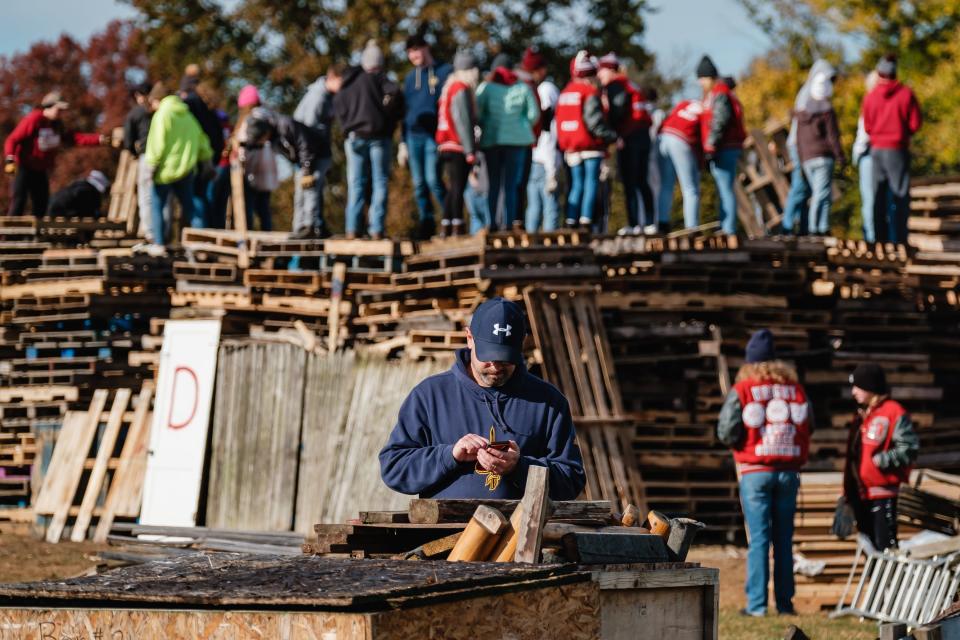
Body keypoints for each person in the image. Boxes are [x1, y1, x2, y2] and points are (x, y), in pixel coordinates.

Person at [379, 297, 586, 500]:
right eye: (489, 356)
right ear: (469, 338)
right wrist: (449, 455)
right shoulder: (430, 396)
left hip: (522, 533)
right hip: (444, 532)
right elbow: (394, 468)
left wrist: (520, 468)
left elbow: (571, 481)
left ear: (522, 343)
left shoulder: (548, 402)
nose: (496, 366)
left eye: (505, 358)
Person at [717, 329, 813, 617]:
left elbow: (725, 430)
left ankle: (757, 606)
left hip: (755, 471)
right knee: (784, 540)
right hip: (788, 472)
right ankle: (785, 604)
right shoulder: (795, 390)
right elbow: (809, 425)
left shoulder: (744, 388)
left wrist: (740, 442)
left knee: (759, 539)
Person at [843, 363, 919, 552]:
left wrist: (881, 461)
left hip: (884, 493)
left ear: (870, 387)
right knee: (869, 549)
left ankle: (890, 582)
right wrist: (847, 492)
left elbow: (909, 448)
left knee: (886, 549)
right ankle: (874, 581)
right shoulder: (863, 414)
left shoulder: (894, 412)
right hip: (862, 493)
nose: (853, 392)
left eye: (857, 386)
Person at [334, 40, 404, 240]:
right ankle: (376, 229)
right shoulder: (380, 79)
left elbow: (338, 103)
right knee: (379, 182)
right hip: (378, 137)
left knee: (356, 183)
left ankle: (352, 228)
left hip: (354, 137)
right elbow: (395, 92)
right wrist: (387, 116)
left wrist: (346, 126)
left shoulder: (349, 81)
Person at [4, 91, 106, 216]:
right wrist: (10, 159)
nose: (61, 113)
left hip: (40, 170)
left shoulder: (57, 125)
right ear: (49, 106)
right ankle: (10, 235)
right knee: (19, 201)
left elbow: (74, 138)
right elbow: (12, 139)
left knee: (41, 203)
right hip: (24, 167)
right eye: (59, 109)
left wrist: (98, 139)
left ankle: (37, 234)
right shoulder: (34, 119)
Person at [143, 82, 213, 252]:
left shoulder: (162, 115)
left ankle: (159, 243)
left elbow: (156, 143)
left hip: (165, 171)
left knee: (157, 206)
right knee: (191, 207)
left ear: (158, 99)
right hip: (186, 169)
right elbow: (202, 141)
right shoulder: (187, 116)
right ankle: (200, 241)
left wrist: (151, 166)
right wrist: (206, 160)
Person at [862, 55, 922, 244]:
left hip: (877, 151)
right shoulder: (906, 94)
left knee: (878, 196)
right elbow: (915, 123)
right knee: (900, 196)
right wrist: (902, 134)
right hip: (897, 150)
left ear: (879, 73)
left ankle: (879, 242)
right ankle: (899, 241)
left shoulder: (870, 97)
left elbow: (867, 126)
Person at [476, 54, 539, 230]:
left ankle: (492, 223)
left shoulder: (486, 87)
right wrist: (521, 126)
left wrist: (488, 124)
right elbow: (534, 115)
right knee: (511, 185)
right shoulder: (522, 87)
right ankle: (509, 223)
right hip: (517, 142)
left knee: (494, 184)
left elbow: (478, 114)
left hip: (492, 141)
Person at [557, 51, 617, 230]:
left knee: (576, 184)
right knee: (591, 182)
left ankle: (570, 220)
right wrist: (612, 136)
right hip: (590, 145)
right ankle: (585, 219)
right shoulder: (590, 92)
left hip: (570, 146)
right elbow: (594, 122)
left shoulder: (566, 92)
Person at [400, 33, 451, 239]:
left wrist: (444, 134)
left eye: (416, 50)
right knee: (418, 183)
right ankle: (426, 222)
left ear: (426, 48)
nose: (414, 55)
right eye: (410, 52)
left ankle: (449, 218)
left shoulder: (444, 71)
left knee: (433, 179)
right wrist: (402, 142)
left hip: (434, 136)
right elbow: (405, 112)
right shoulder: (411, 78)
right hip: (414, 136)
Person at [598, 53, 654, 233]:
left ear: (610, 70)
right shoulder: (631, 84)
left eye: (602, 70)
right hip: (644, 135)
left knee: (630, 181)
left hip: (629, 137)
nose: (599, 75)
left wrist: (612, 131)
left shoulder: (616, 85)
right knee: (641, 180)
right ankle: (650, 222)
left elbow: (618, 109)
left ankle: (634, 223)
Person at [292, 64, 343, 239]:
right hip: (310, 152)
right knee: (308, 188)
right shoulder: (318, 98)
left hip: (315, 151)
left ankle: (316, 223)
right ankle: (306, 226)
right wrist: (308, 160)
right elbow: (308, 130)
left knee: (313, 189)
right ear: (333, 78)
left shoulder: (328, 97)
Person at [697, 56, 746, 236]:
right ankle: (725, 226)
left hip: (725, 147)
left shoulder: (719, 93)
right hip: (725, 146)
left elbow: (720, 120)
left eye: (702, 78)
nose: (700, 83)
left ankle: (729, 228)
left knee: (725, 188)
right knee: (723, 188)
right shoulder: (717, 93)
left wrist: (710, 145)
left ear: (709, 77)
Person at [795, 60, 844, 236]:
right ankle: (816, 228)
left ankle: (818, 227)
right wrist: (840, 156)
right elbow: (833, 136)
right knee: (821, 194)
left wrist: (800, 158)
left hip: (807, 157)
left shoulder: (802, 111)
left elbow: (798, 138)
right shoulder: (826, 109)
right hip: (823, 156)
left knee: (818, 193)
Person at [435, 50, 480, 237]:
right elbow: (463, 121)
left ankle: (447, 222)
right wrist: (470, 150)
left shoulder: (448, 87)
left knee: (453, 187)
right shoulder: (461, 88)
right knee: (458, 188)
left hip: (445, 143)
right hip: (456, 144)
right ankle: (457, 224)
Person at [179, 68, 225, 228]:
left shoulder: (190, 103)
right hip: (213, 156)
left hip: (200, 155)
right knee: (207, 196)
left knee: (197, 195)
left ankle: (201, 234)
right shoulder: (209, 107)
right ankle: (209, 231)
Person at [233, 85, 278, 231]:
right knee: (264, 208)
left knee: (248, 206)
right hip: (268, 168)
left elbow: (246, 143)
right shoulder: (269, 116)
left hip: (252, 167)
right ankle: (268, 237)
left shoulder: (252, 119)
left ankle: (248, 235)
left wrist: (238, 156)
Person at [657, 98, 704, 230]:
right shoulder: (706, 111)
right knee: (690, 188)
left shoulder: (684, 103)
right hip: (682, 140)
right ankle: (692, 227)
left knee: (666, 185)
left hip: (663, 137)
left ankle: (662, 224)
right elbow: (704, 140)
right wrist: (700, 164)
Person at [525, 65, 561, 232]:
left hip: (533, 163)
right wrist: (552, 173)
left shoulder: (536, 124)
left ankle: (530, 241)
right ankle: (549, 243)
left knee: (534, 207)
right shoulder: (550, 125)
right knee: (549, 207)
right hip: (545, 165)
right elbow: (549, 147)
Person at [122, 81, 156, 240]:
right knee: (162, 195)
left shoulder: (135, 113)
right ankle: (162, 232)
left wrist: (132, 151)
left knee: (146, 195)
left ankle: (149, 231)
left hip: (147, 156)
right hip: (164, 157)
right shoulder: (159, 111)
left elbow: (128, 139)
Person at [853, 72, 881, 243]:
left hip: (870, 154)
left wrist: (856, 154)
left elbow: (864, 134)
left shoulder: (870, 102)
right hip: (886, 153)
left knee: (869, 199)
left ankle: (871, 238)